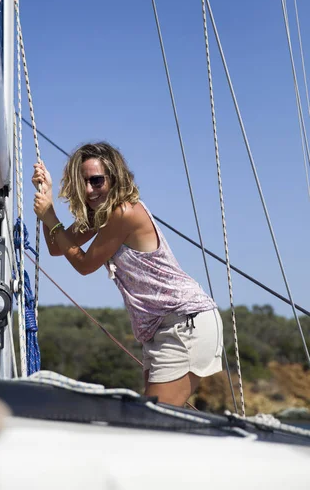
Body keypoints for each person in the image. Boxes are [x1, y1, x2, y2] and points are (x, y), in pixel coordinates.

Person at [32, 142, 223, 407]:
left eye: (96, 181)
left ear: (114, 177)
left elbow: (85, 265)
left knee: (153, 421)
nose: (89, 190)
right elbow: (57, 246)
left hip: (184, 322)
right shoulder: (103, 215)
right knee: (155, 421)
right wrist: (48, 199)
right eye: (83, 182)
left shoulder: (124, 213)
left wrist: (51, 217)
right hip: (161, 328)